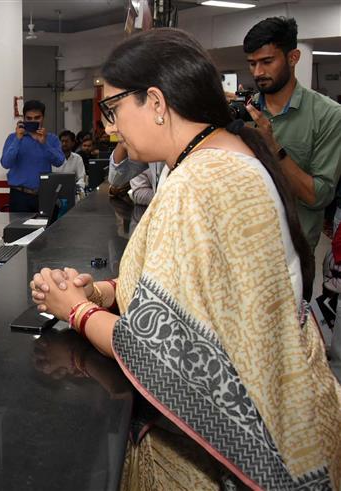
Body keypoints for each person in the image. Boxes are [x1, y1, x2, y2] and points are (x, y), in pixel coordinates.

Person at [30, 28, 340, 489]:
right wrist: (101, 290)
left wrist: (74, 311)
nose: (111, 126)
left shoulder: (201, 182)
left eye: (114, 108)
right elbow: (199, 283)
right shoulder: (216, 157)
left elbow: (162, 353)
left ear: (155, 102)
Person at [243, 17, 341, 251]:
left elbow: (318, 197)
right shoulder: (245, 112)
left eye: (267, 61)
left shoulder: (328, 115)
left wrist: (274, 148)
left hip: (293, 254)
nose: (258, 72)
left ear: (293, 58)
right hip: (243, 248)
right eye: (252, 63)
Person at [0, 100, 65, 212]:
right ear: (24, 119)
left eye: (37, 118)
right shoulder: (13, 138)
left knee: (45, 229)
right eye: (29, 118)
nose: (33, 121)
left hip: (44, 194)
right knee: (18, 229)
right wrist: (18, 139)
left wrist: (44, 144)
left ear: (43, 118)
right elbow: (6, 163)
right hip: (19, 195)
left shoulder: (51, 139)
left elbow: (59, 161)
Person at [54, 130, 86, 199]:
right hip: (54, 193)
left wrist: (77, 188)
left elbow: (81, 178)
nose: (64, 144)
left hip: (72, 192)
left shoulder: (78, 158)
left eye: (66, 141)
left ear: (73, 143)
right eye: (62, 141)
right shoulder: (53, 158)